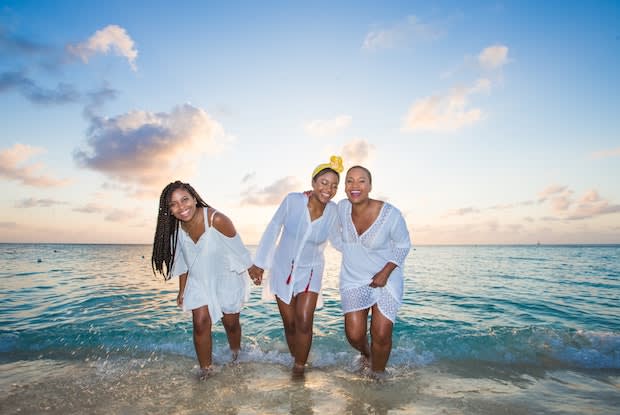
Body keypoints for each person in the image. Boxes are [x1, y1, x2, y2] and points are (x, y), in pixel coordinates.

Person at [248, 155, 343, 376]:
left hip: (312, 270)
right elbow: (273, 228)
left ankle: (299, 369)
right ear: (313, 183)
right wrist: (260, 263)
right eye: (324, 182)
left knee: (304, 319)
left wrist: (363, 250)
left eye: (334, 186)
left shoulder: (334, 211)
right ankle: (296, 358)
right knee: (290, 323)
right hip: (283, 268)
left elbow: (338, 241)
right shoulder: (292, 201)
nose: (328, 189)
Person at [151, 181, 252, 377]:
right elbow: (183, 260)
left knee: (231, 324)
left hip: (226, 277)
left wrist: (254, 269)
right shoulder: (177, 228)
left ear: (194, 199)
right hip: (198, 279)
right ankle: (206, 370)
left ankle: (236, 356)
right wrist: (182, 290)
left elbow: (240, 251)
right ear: (169, 210)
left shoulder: (218, 219)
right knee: (200, 323)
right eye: (174, 204)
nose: (181, 207)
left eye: (185, 199)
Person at [336, 165, 411, 377]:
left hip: (386, 278)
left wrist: (385, 272)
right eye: (350, 181)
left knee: (381, 333)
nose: (355, 186)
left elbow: (404, 245)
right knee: (354, 334)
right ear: (345, 187)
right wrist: (309, 195)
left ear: (370, 186)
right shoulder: (341, 208)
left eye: (361, 181)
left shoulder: (390, 214)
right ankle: (368, 355)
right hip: (353, 279)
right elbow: (320, 207)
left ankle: (378, 375)